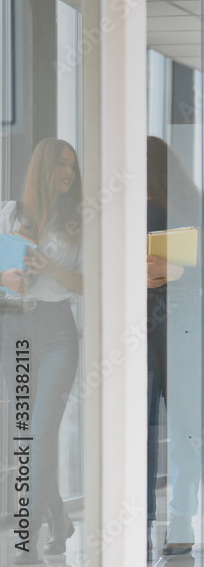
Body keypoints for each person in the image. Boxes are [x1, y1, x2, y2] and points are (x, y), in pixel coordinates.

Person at [146, 136, 204, 556]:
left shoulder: (200, 209)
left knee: (186, 428)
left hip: (189, 324)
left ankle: (181, 518)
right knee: (139, 429)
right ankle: (141, 519)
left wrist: (176, 269)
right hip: (138, 326)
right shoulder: (124, 212)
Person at [1, 138, 83, 564]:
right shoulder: (11, 213)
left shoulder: (78, 222)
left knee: (40, 428)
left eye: (73, 165)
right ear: (43, 169)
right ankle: (59, 518)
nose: (69, 172)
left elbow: (91, 282)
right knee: (27, 433)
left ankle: (25, 539)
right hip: (16, 328)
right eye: (61, 165)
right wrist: (6, 277)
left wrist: (50, 268)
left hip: (57, 332)